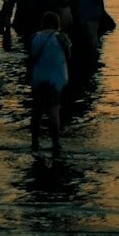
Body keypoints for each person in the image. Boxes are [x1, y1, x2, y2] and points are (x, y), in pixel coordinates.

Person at [26, 11, 71, 150]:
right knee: (54, 111)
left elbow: (30, 55)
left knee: (37, 111)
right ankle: (55, 142)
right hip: (56, 79)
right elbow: (68, 55)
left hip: (38, 77)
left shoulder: (34, 37)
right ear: (57, 23)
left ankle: (34, 141)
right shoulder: (62, 37)